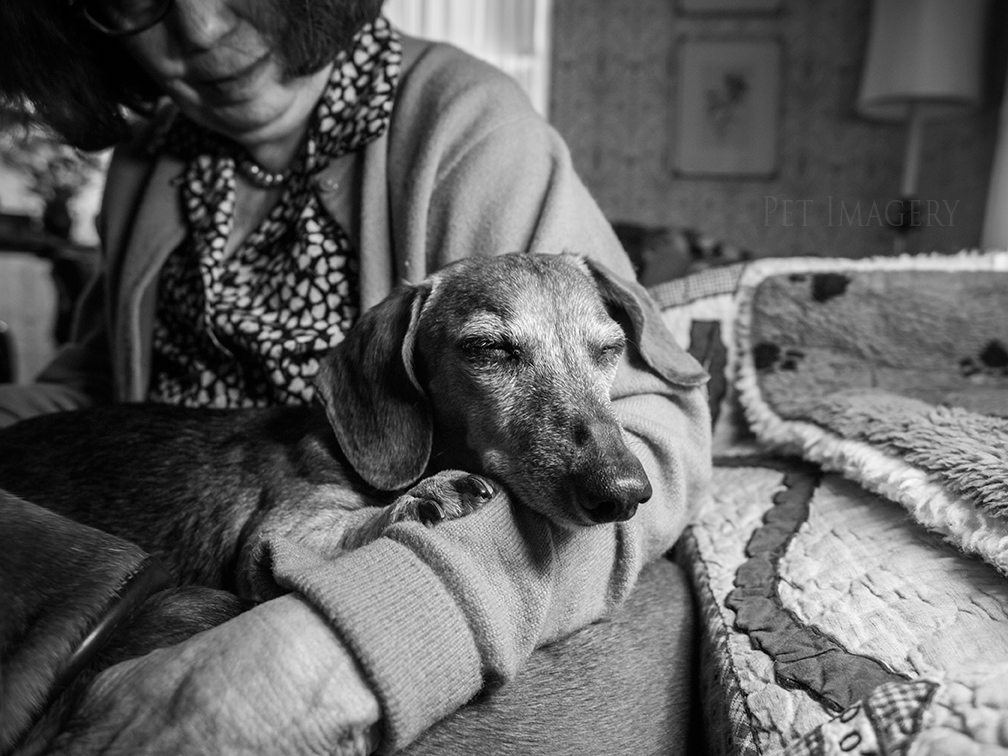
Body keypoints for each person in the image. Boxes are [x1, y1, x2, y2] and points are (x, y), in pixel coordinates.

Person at [0, 0, 712, 753]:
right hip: (180, 514)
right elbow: (99, 383)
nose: (202, 30)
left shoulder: (467, 120)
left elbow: (662, 440)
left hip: (343, 573)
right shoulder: (146, 158)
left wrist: (349, 639)